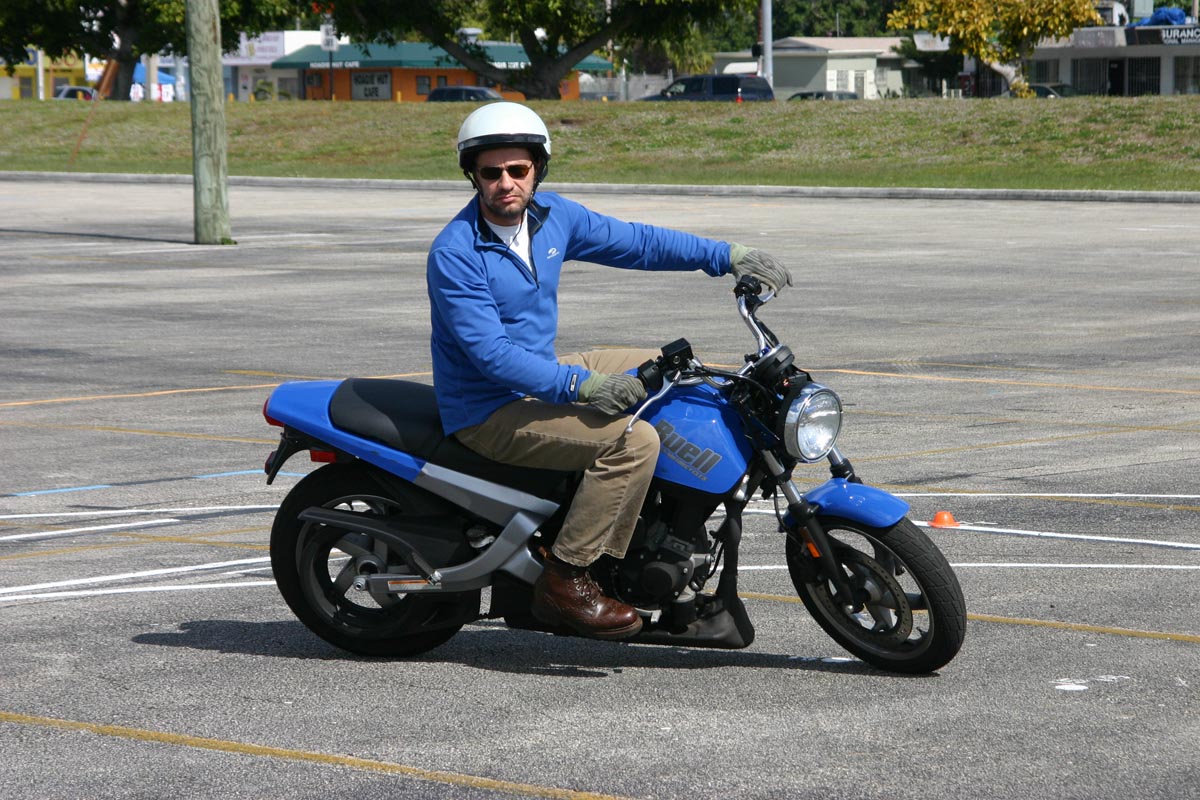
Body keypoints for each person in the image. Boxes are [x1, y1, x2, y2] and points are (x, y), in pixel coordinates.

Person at [426, 102, 792, 640]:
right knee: (632, 443)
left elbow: (637, 242)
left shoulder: (551, 217)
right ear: (472, 176)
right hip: (489, 408)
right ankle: (566, 578)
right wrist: (585, 386)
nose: (505, 183)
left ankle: (665, 524)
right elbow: (493, 356)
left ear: (537, 169)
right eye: (490, 172)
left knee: (672, 374)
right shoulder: (455, 252)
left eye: (517, 169)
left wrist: (726, 255)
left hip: (540, 373)